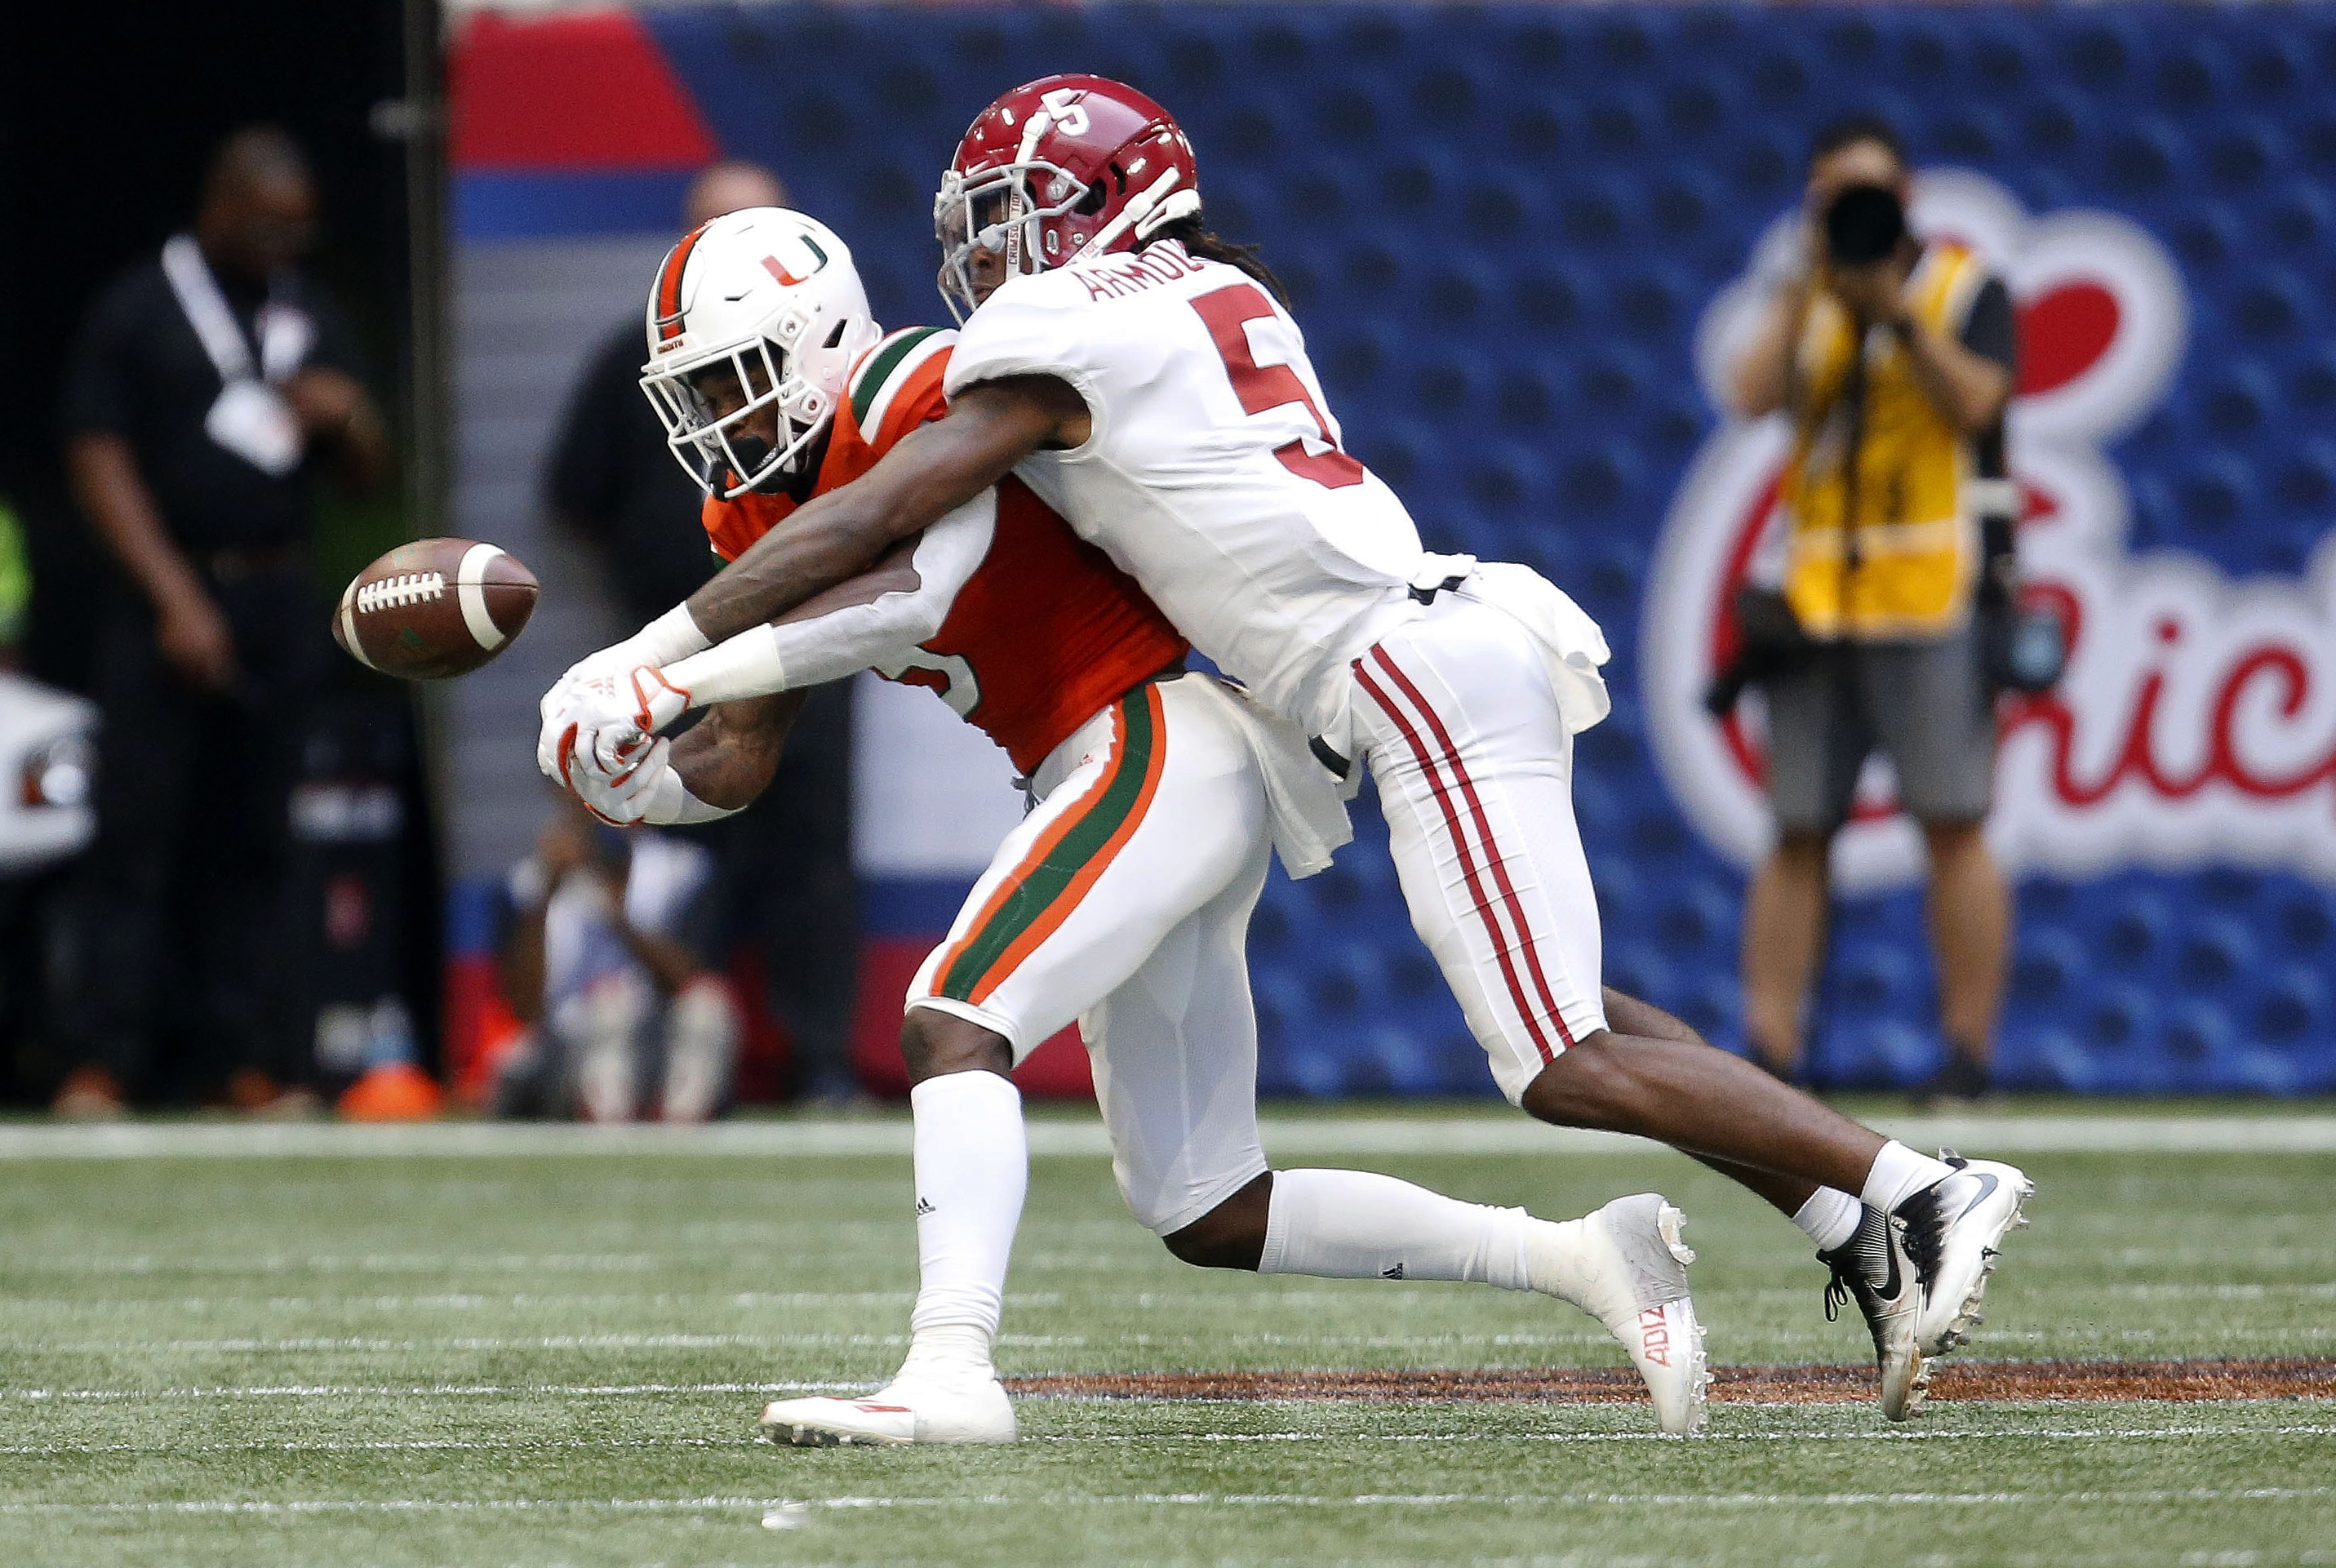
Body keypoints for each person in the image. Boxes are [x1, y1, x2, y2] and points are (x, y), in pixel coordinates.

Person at [549, 80, 2034, 1431]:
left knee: (1545, 1051)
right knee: (1227, 1189)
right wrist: (641, 773)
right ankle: (1787, 1232)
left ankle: (1912, 1187)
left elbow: (894, 564)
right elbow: (755, 732)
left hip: (1327, 682)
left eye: (1010, 221)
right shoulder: (1184, 293)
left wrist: (651, 652)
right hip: (1373, 669)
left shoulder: (986, 365)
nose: (990, 258)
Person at [56, 127, 388, 1113]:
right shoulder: (142, 309)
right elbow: (95, 456)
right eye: (273, 225)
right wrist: (174, 598)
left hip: (275, 596)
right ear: (223, 205)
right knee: (137, 832)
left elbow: (366, 478)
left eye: (302, 229)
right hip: (165, 593)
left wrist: (348, 419)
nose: (289, 244)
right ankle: (103, 1060)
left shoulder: (304, 315)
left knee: (257, 837)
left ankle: (244, 1059)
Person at [543, 159, 862, 1105]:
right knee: (682, 842)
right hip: (703, 635)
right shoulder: (636, 369)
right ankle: (677, 1048)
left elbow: (863, 533)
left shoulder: (877, 389)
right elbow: (577, 496)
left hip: (827, 620)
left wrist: (654, 656)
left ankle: (819, 1055)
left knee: (811, 849)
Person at [1725, 115, 2018, 1104]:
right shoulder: (1802, 292)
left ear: (1908, 196)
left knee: (1953, 820)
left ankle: (1967, 1052)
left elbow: (1981, 404)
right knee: (1796, 826)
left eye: (1871, 195)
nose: (1853, 214)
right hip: (1817, 596)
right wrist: (1809, 287)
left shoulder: (1960, 286)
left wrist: (1894, 313)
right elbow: (1750, 393)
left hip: (1932, 594)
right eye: (1832, 198)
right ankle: (1771, 1053)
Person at [490, 793, 738, 1122]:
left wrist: (617, 916)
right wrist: (547, 894)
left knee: (706, 1007)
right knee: (611, 1008)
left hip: (659, 1040)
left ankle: (685, 1131)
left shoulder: (684, 868)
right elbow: (524, 1009)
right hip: (572, 1044)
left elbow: (689, 979)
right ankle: (608, 1134)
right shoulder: (530, 880)